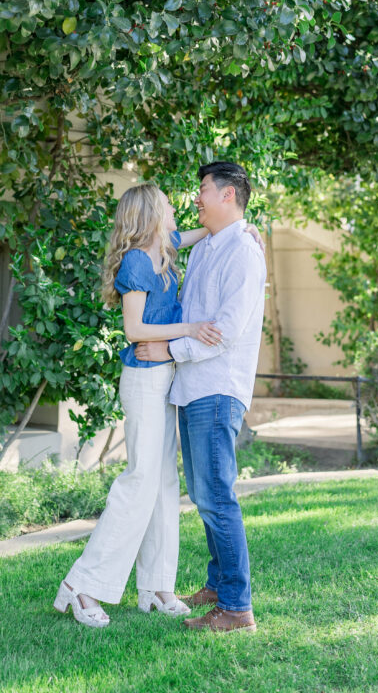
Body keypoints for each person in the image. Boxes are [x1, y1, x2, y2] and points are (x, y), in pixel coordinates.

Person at [54, 183, 222, 628]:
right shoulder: (136, 261)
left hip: (165, 377)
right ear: (150, 214)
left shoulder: (164, 246)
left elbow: (196, 234)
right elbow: (133, 330)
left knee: (165, 483)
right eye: (167, 205)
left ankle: (155, 586)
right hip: (144, 382)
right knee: (140, 481)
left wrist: (243, 230)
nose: (174, 210)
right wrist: (190, 329)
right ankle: (82, 585)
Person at [136, 162, 267, 634]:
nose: (196, 198)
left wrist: (168, 347)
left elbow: (227, 331)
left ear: (228, 195)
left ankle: (236, 608)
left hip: (217, 387)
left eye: (204, 190)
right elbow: (168, 244)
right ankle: (218, 586)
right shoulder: (212, 244)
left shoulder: (244, 254)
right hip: (192, 387)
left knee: (217, 496)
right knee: (205, 493)